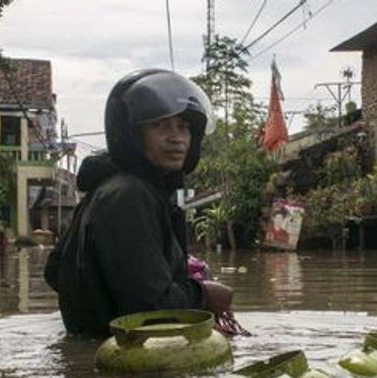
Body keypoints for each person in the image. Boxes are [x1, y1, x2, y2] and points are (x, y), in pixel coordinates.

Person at [45, 69, 235, 336]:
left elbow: (55, 271)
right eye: (160, 125)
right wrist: (202, 296)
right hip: (125, 360)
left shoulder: (110, 188)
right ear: (132, 134)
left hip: (100, 355)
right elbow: (152, 308)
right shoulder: (129, 197)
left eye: (183, 127)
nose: (176, 137)